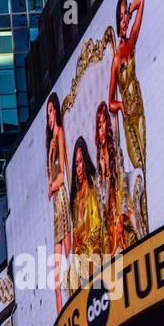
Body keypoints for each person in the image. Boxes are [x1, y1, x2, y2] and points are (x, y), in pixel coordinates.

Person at [108, 0, 147, 232]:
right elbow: (110, 99)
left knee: (145, 161)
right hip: (128, 117)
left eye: (126, 15)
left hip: (139, 110)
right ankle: (143, 221)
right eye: (120, 15)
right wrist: (121, 106)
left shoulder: (131, 41)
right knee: (138, 167)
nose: (124, 19)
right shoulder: (115, 59)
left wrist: (131, 11)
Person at [95, 101, 137, 256]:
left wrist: (121, 215)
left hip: (122, 210)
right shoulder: (100, 164)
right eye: (98, 126)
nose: (101, 129)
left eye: (103, 123)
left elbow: (123, 184)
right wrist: (104, 169)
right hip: (111, 219)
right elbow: (103, 204)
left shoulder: (115, 152)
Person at [46, 92, 72, 312]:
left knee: (68, 257)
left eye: (52, 111)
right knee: (55, 274)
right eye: (48, 114)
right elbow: (50, 175)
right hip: (56, 205)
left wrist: (52, 187)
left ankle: (74, 300)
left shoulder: (61, 133)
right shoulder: (52, 142)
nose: (50, 117)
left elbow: (62, 174)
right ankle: (60, 315)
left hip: (61, 199)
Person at [70, 136, 105, 295]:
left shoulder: (91, 190)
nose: (78, 168)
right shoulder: (76, 199)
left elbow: (97, 227)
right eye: (75, 164)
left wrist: (85, 252)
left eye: (80, 162)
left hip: (94, 256)